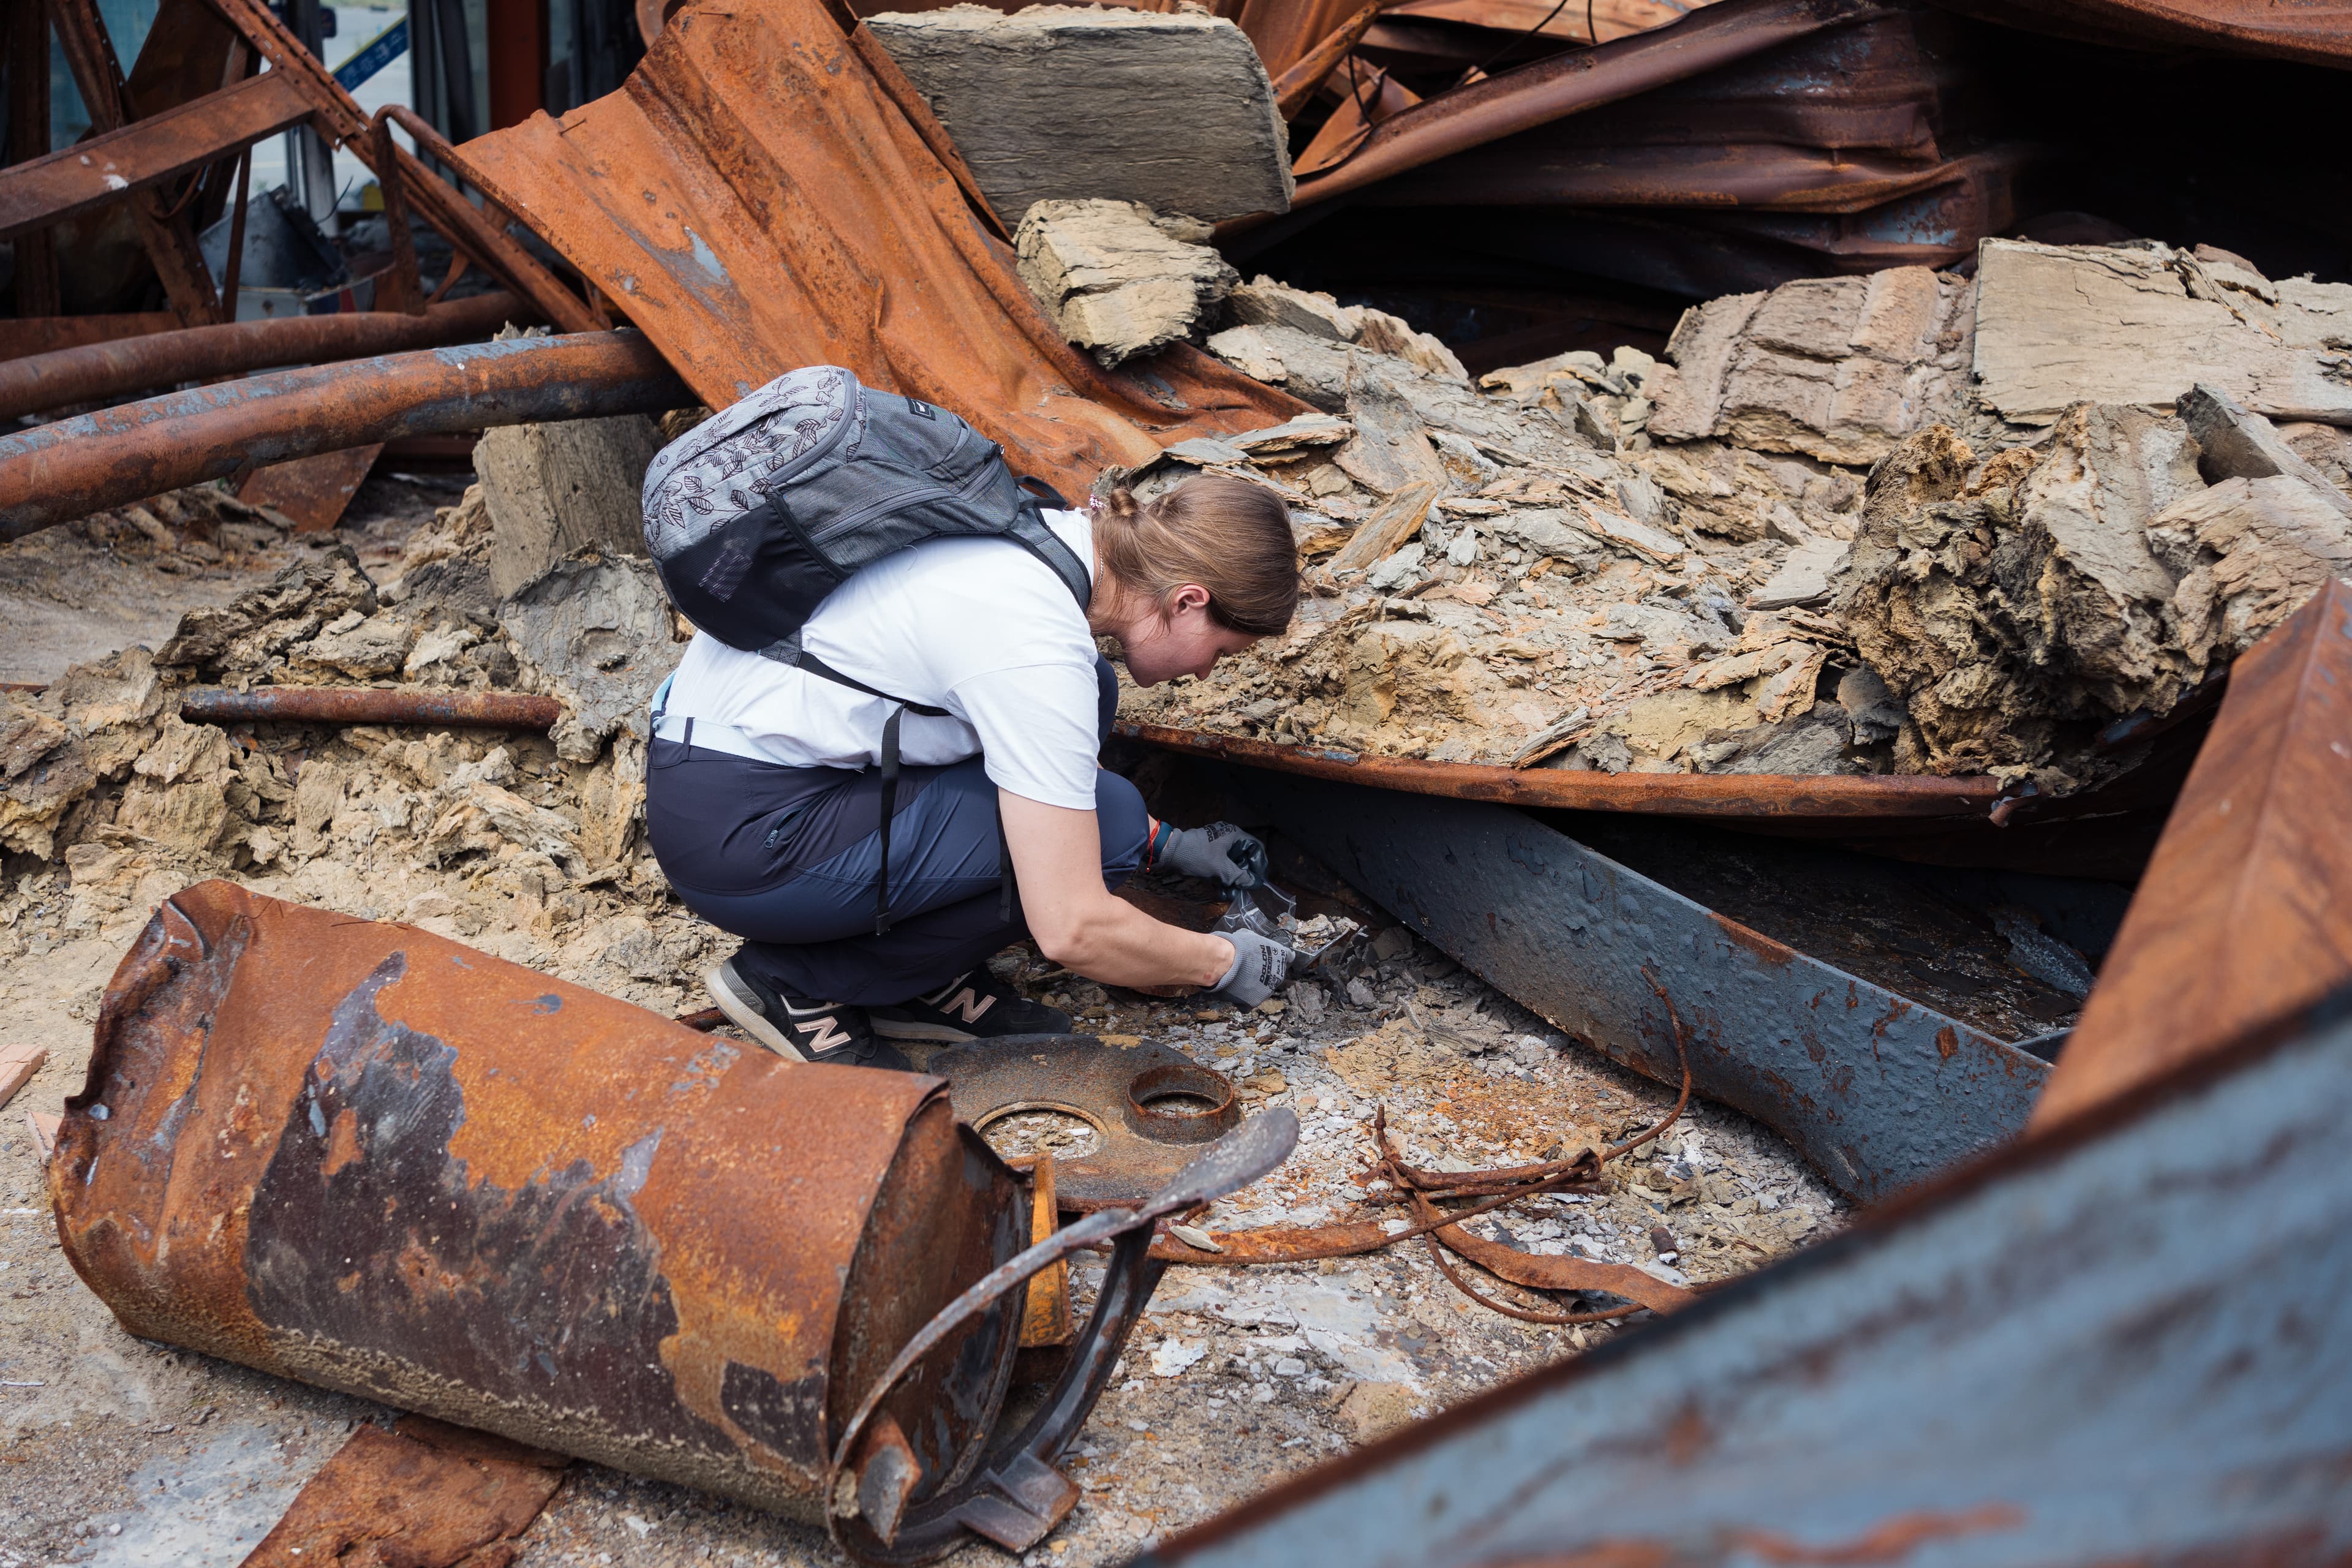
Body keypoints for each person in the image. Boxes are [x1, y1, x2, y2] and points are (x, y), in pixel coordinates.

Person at [643, 473, 1302, 1069]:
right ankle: (798, 983)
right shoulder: (1034, 646)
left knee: (1097, 702)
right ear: (1189, 599)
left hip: (736, 764)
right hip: (745, 834)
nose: (1209, 670)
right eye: (1222, 649)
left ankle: (911, 979)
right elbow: (1071, 925)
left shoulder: (1038, 530)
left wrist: (1170, 844)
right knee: (1109, 828)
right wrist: (1223, 961)